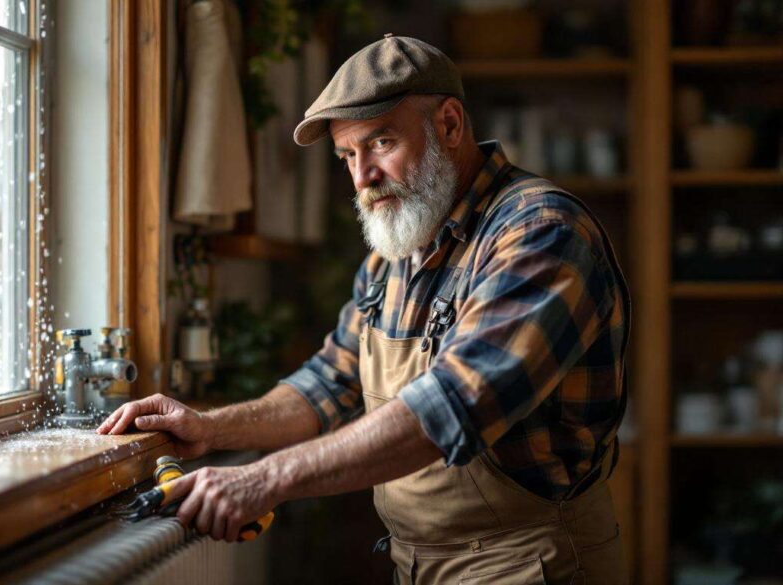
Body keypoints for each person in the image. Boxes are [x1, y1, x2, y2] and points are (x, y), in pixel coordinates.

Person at [98, 34, 630, 584]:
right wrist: (211, 429)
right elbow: (329, 383)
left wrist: (265, 479)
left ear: (449, 125)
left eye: (381, 143)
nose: (362, 177)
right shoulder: (396, 251)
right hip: (419, 563)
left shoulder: (540, 232)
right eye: (348, 155)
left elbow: (450, 409)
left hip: (531, 564)